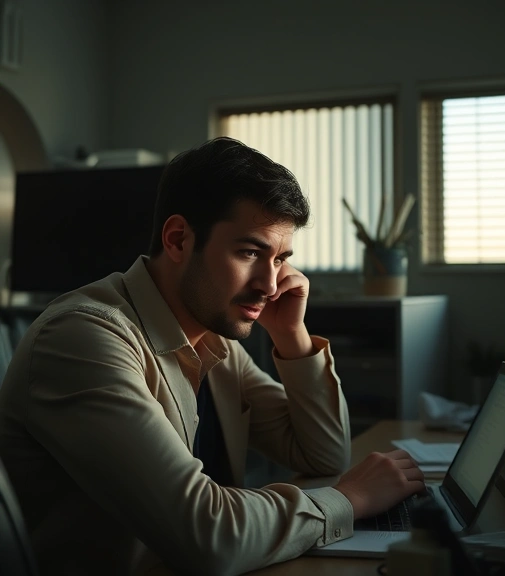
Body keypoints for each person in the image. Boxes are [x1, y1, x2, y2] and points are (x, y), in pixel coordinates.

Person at [0, 137, 425, 575]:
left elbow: (322, 456)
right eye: (249, 252)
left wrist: (290, 334)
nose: (270, 284)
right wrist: (349, 500)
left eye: (280, 259)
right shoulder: (82, 339)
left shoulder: (214, 341)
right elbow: (207, 535)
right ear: (179, 239)